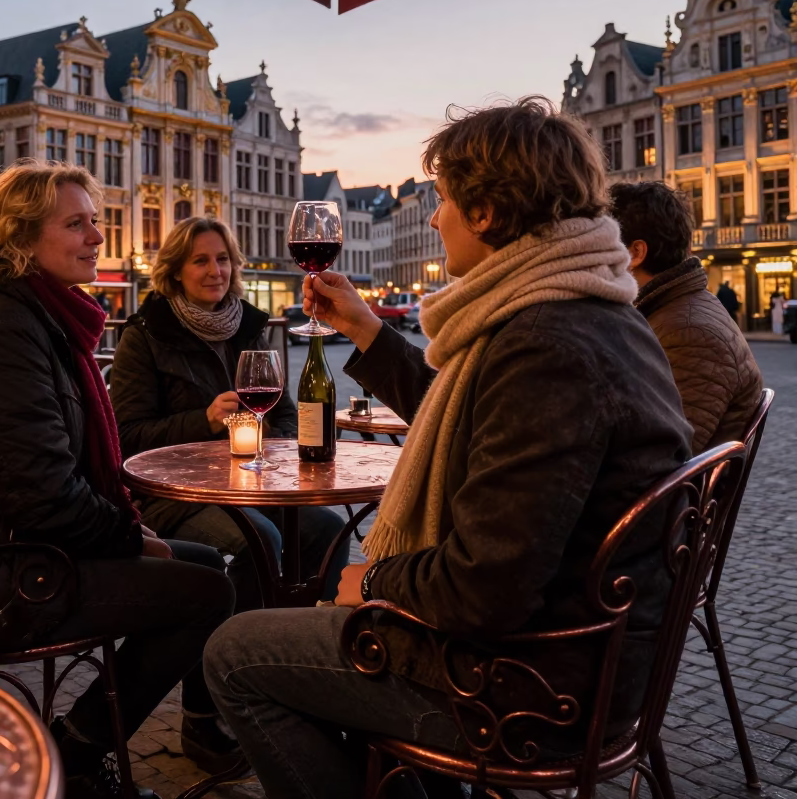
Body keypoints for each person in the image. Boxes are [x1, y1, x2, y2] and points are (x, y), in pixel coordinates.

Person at [203, 98, 692, 799]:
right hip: (583, 653)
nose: (435, 219)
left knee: (233, 654)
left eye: (443, 200)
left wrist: (368, 584)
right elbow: (469, 414)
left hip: (528, 687)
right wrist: (370, 331)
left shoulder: (546, 346)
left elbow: (481, 591)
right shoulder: (587, 309)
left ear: (486, 212)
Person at [0, 160, 235, 796]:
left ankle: (92, 739)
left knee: (212, 564)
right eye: (76, 225)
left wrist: (130, 533)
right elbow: (43, 492)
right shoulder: (0, 330)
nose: (98, 239)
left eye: (95, 222)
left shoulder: (35, 318)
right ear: (20, 241)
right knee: (206, 594)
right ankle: (75, 752)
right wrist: (133, 539)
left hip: (14, 545)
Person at [111, 217, 347, 612]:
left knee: (330, 530)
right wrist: (203, 421)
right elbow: (127, 437)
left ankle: (302, 636)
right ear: (175, 271)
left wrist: (266, 437)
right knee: (262, 538)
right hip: (180, 495)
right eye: (199, 261)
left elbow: (286, 415)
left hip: (250, 485)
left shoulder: (248, 327)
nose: (215, 271)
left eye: (222, 259)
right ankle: (229, 651)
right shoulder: (145, 335)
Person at [611, 182, 762, 453]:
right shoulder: (672, 312)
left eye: (604, 245)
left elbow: (666, 454)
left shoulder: (689, 331)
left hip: (675, 493)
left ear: (635, 253)